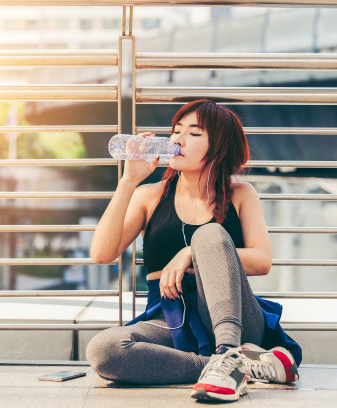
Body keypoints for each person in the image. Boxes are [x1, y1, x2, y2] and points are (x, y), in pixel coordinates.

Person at [87, 100, 301, 402]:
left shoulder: (241, 194)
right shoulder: (149, 195)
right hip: (171, 317)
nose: (177, 139)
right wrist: (128, 180)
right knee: (104, 350)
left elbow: (262, 260)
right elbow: (102, 253)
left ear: (219, 147)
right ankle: (231, 367)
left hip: (234, 316)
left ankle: (228, 351)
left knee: (209, 233)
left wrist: (191, 251)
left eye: (194, 133)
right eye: (176, 131)